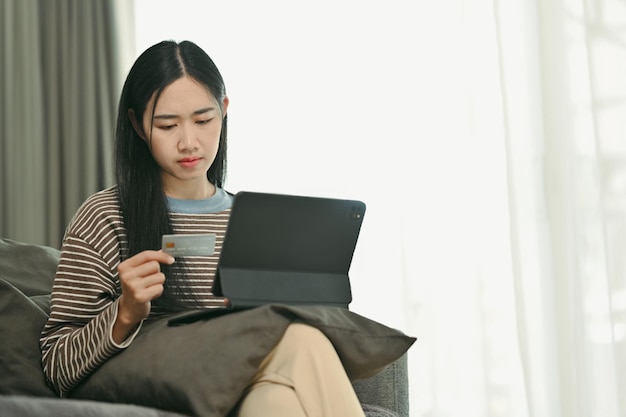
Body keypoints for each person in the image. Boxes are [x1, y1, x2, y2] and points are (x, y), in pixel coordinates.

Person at [39, 40, 369, 417]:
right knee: (303, 340)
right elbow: (55, 366)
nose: (188, 142)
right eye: (167, 125)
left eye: (203, 120)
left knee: (278, 401)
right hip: (158, 382)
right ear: (137, 124)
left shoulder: (250, 223)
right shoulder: (105, 216)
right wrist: (124, 313)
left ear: (224, 111)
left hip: (240, 384)